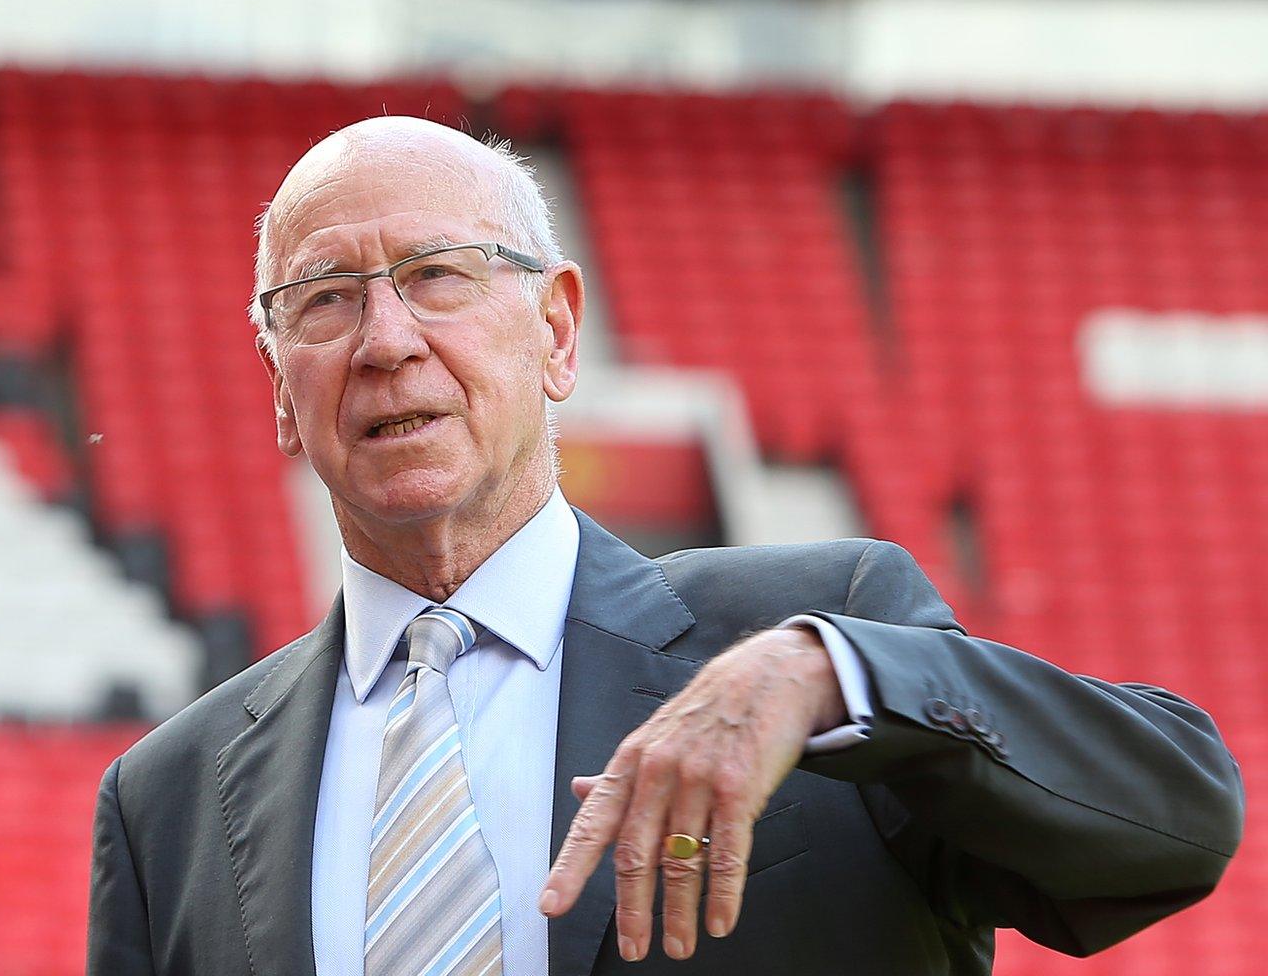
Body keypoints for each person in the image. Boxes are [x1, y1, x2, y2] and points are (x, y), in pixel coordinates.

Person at [86, 115, 1243, 975]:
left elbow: (1173, 822)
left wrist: (829, 675)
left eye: (434, 277)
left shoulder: (822, 630)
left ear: (554, 331)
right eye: (324, 299)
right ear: (279, 389)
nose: (385, 340)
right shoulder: (166, 802)